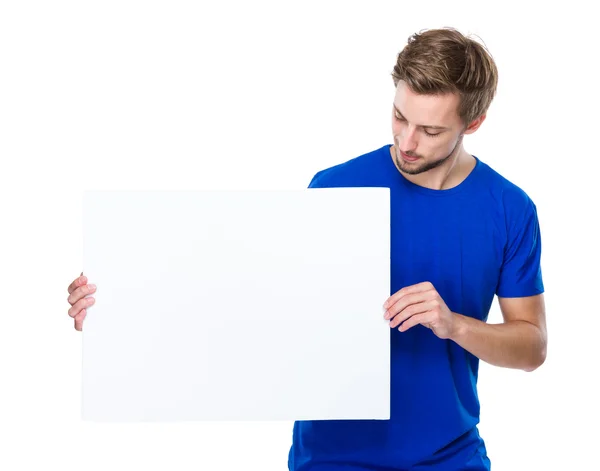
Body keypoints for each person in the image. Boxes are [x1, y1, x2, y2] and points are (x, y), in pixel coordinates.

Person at [66, 27, 547, 471]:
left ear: (476, 122)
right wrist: (119, 317)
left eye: (431, 130)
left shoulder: (509, 208)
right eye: (399, 117)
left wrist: (454, 324)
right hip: (330, 458)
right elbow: (249, 307)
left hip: (450, 457)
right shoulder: (336, 187)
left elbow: (532, 347)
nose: (406, 141)